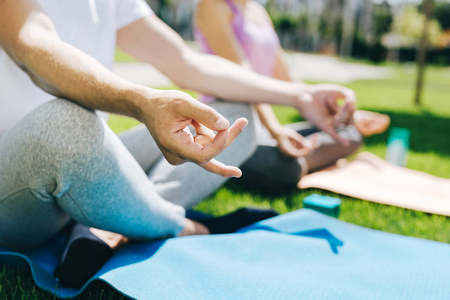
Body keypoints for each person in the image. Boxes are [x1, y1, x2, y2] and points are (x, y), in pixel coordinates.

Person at [0, 0, 357, 253]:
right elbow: (33, 47)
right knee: (65, 123)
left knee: (233, 118)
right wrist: (142, 102)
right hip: (16, 188)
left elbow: (188, 63)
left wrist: (300, 94)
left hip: (86, 158)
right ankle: (175, 224)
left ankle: (117, 223)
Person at [194, 0, 390, 187]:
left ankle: (298, 157)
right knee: (289, 169)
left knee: (349, 134)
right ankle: (297, 161)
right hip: (226, 127)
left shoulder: (258, 11)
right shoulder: (213, 5)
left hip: (261, 129)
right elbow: (244, 80)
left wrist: (344, 116)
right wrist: (276, 130)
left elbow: (287, 78)